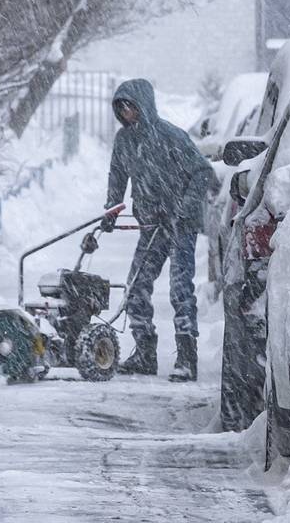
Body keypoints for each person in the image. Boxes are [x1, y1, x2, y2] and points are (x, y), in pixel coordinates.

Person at [101, 78, 214, 382]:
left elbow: (204, 172)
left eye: (130, 106)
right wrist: (112, 209)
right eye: (121, 108)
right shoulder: (124, 141)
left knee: (180, 289)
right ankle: (144, 352)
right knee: (136, 286)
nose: (126, 113)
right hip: (151, 225)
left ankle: (187, 358)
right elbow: (117, 176)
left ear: (144, 105)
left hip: (180, 225)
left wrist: (185, 207)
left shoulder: (171, 136)